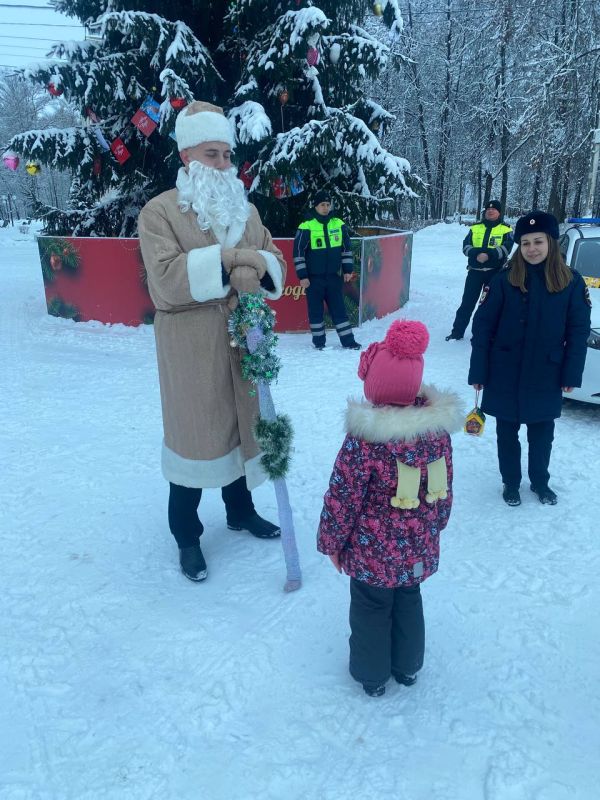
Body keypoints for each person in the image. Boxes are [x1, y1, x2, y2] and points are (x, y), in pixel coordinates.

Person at [138, 101, 287, 582]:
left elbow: (271, 259)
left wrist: (258, 264)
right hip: (192, 348)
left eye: (227, 154)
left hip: (246, 341)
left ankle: (240, 511)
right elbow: (164, 280)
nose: (224, 165)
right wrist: (232, 259)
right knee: (195, 440)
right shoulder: (159, 212)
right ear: (187, 157)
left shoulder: (247, 210)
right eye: (212, 154)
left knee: (244, 430)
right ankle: (187, 537)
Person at [317, 320, 462, 697]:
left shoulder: (365, 440)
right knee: (409, 599)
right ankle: (408, 666)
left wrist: (331, 543)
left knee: (370, 608)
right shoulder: (435, 433)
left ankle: (371, 674)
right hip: (416, 547)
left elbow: (343, 496)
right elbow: (443, 487)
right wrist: (436, 526)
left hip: (371, 555)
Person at [468, 210, 591, 507]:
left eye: (538, 241)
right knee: (506, 433)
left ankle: (540, 482)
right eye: (525, 243)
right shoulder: (503, 279)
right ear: (519, 247)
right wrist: (479, 372)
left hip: (545, 372)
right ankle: (510, 483)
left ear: (550, 243)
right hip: (504, 371)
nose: (532, 249)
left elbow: (578, 331)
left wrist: (571, 374)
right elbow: (483, 327)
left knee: (542, 433)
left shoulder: (571, 282)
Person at [293, 190, 361, 350]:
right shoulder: (306, 226)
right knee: (315, 312)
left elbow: (346, 249)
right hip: (313, 279)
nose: (325, 208)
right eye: (322, 205)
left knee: (339, 310)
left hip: (333, 277)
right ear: (316, 206)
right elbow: (298, 253)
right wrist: (302, 276)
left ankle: (348, 341)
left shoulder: (338, 224)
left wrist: (347, 270)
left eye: (327, 204)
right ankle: (319, 343)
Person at [446, 200, 513, 341]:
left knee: (490, 306)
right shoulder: (475, 228)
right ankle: (456, 333)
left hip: (494, 273)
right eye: (488, 209)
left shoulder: (506, 229)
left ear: (499, 212)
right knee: (467, 304)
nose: (490, 211)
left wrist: (488, 255)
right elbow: (465, 246)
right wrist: (476, 254)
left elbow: (507, 248)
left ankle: (484, 335)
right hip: (474, 272)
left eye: (494, 209)